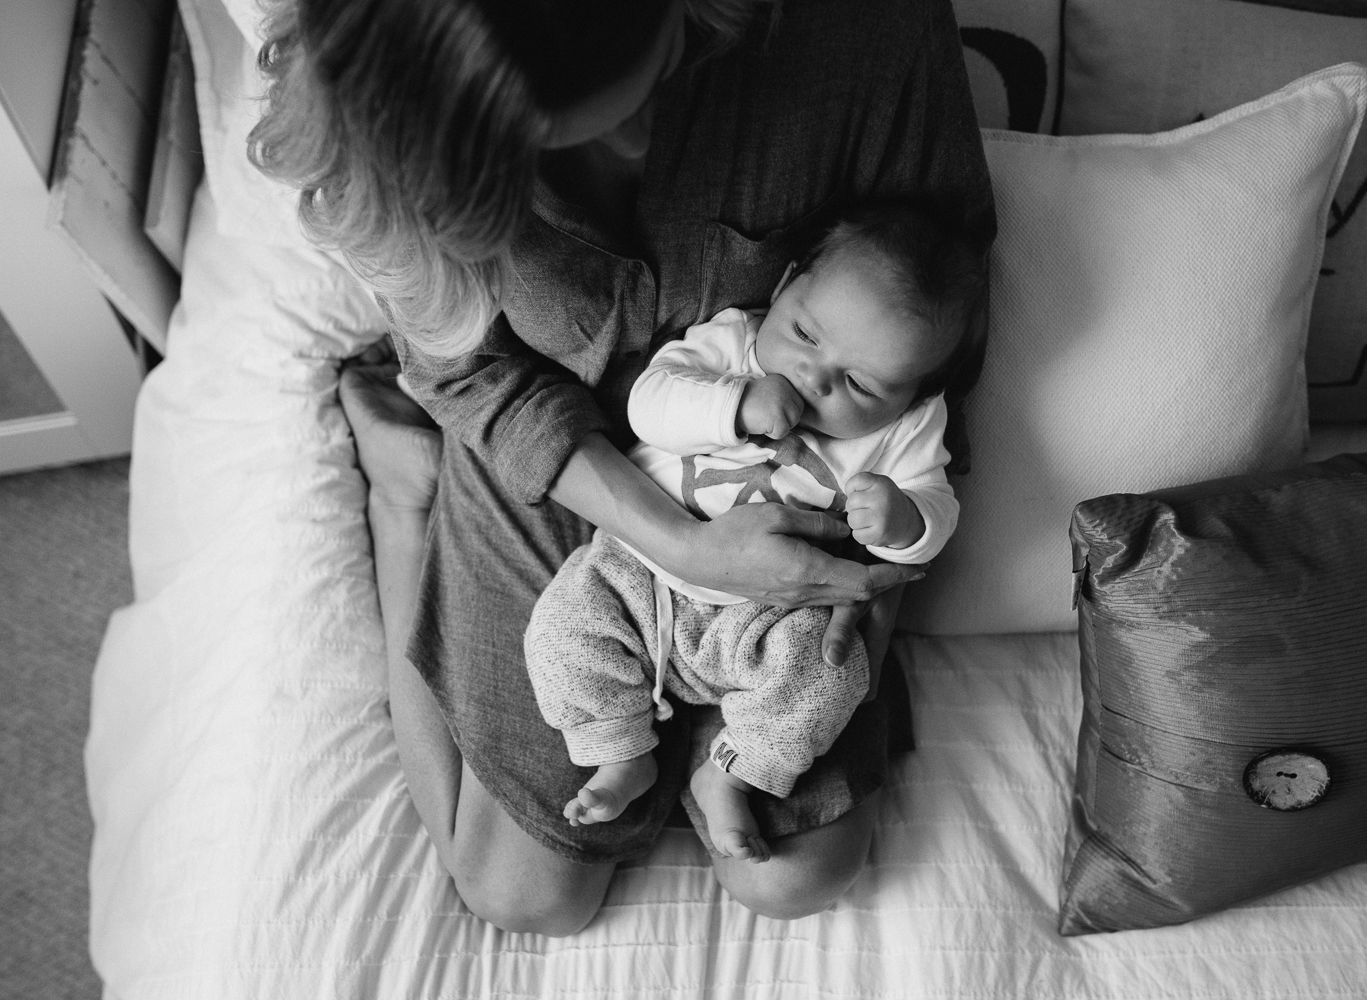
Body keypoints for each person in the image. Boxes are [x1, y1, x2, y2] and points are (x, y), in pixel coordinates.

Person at [251, 0, 995, 933]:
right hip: (553, 442)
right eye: (565, 135)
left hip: (797, 510)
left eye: (663, 66)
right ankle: (406, 494)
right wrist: (683, 547)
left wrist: (862, 570)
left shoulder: (861, 28)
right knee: (524, 897)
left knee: (796, 875)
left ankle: (704, 757)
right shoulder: (388, 126)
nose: (648, 139)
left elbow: (938, 329)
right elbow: (471, 370)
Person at [524, 200, 982, 863]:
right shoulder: (731, 342)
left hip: (773, 613)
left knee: (831, 675)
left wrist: (904, 519)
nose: (814, 377)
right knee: (562, 627)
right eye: (805, 335)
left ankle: (731, 773)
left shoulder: (907, 430)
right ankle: (620, 750)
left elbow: (935, 514)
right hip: (639, 570)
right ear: (784, 285)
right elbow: (649, 404)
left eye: (857, 384)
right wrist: (735, 404)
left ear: (912, 396)